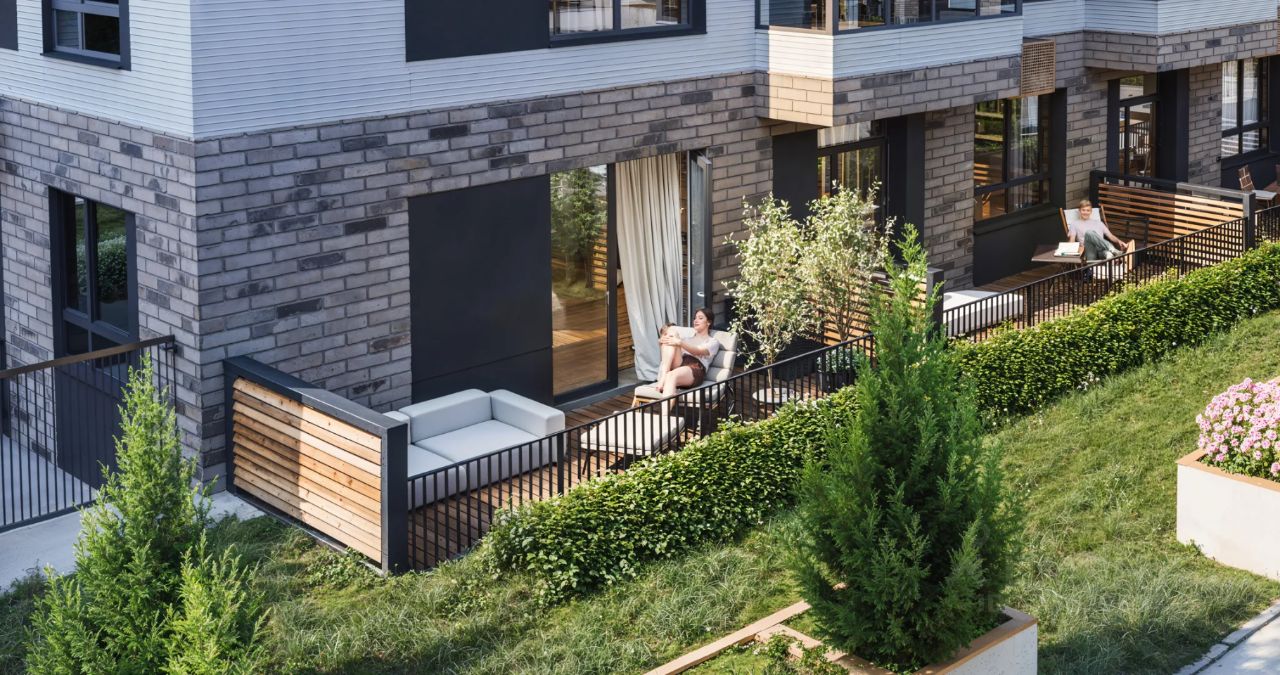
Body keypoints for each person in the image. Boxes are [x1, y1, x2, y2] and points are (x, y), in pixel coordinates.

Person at [653, 308, 720, 410]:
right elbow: (670, 352)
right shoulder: (686, 339)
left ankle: (664, 416)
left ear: (708, 322)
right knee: (671, 333)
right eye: (695, 318)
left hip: (695, 368)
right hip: (680, 363)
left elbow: (697, 351)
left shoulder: (712, 342)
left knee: (671, 375)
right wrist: (662, 342)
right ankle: (664, 376)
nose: (696, 320)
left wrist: (680, 342)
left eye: (700, 318)